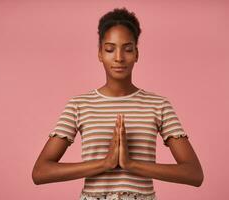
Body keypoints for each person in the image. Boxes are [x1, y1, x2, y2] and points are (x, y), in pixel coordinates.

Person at [32, 7, 204, 200]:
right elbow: (40, 172)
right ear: (100, 53)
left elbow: (194, 174)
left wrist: (132, 164)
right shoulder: (79, 105)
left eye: (128, 49)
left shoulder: (158, 105)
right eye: (110, 49)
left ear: (137, 54)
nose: (119, 57)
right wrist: (104, 164)